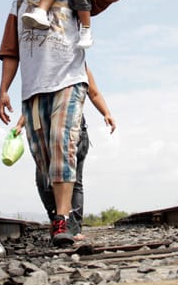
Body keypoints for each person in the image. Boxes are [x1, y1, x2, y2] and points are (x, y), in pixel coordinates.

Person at [0, 0, 122, 246]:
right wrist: (3, 90)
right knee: (44, 164)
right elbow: (11, 53)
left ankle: (63, 221)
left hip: (69, 80)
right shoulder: (18, 6)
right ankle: (60, 217)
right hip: (33, 91)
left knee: (62, 145)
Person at [16, 64, 115, 240]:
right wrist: (20, 123)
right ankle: (57, 220)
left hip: (75, 132)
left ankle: (73, 228)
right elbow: (37, 102)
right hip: (48, 132)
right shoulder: (44, 67)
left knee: (74, 180)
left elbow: (94, 93)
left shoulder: (77, 65)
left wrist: (106, 113)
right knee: (44, 179)